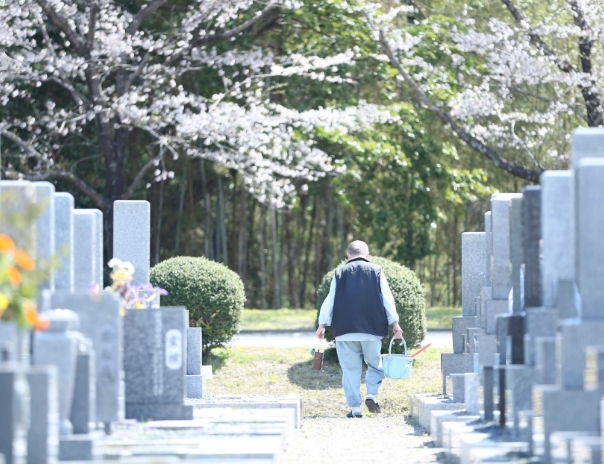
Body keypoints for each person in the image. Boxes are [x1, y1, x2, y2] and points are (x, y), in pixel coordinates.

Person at [316, 240, 403, 418]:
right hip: (372, 329)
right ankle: (371, 395)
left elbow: (330, 299)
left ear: (348, 256)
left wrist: (322, 324)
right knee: (375, 364)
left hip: (344, 330)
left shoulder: (339, 272)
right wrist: (395, 323)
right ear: (367, 255)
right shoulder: (377, 270)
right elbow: (388, 298)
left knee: (350, 370)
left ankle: (355, 409)